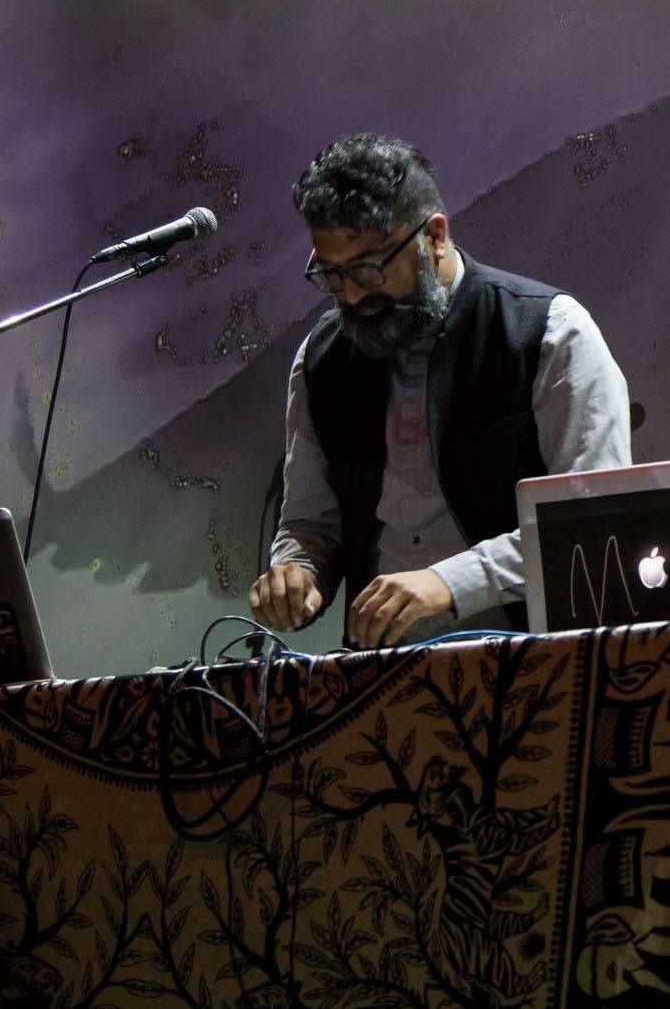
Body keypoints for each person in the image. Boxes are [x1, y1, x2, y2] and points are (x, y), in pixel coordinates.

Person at [250, 134, 630, 647]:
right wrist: (296, 571)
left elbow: (593, 519)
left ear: (434, 235)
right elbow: (311, 523)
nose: (352, 294)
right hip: (382, 677)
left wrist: (447, 582)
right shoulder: (319, 360)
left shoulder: (549, 331)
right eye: (331, 274)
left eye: (367, 268)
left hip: (542, 663)